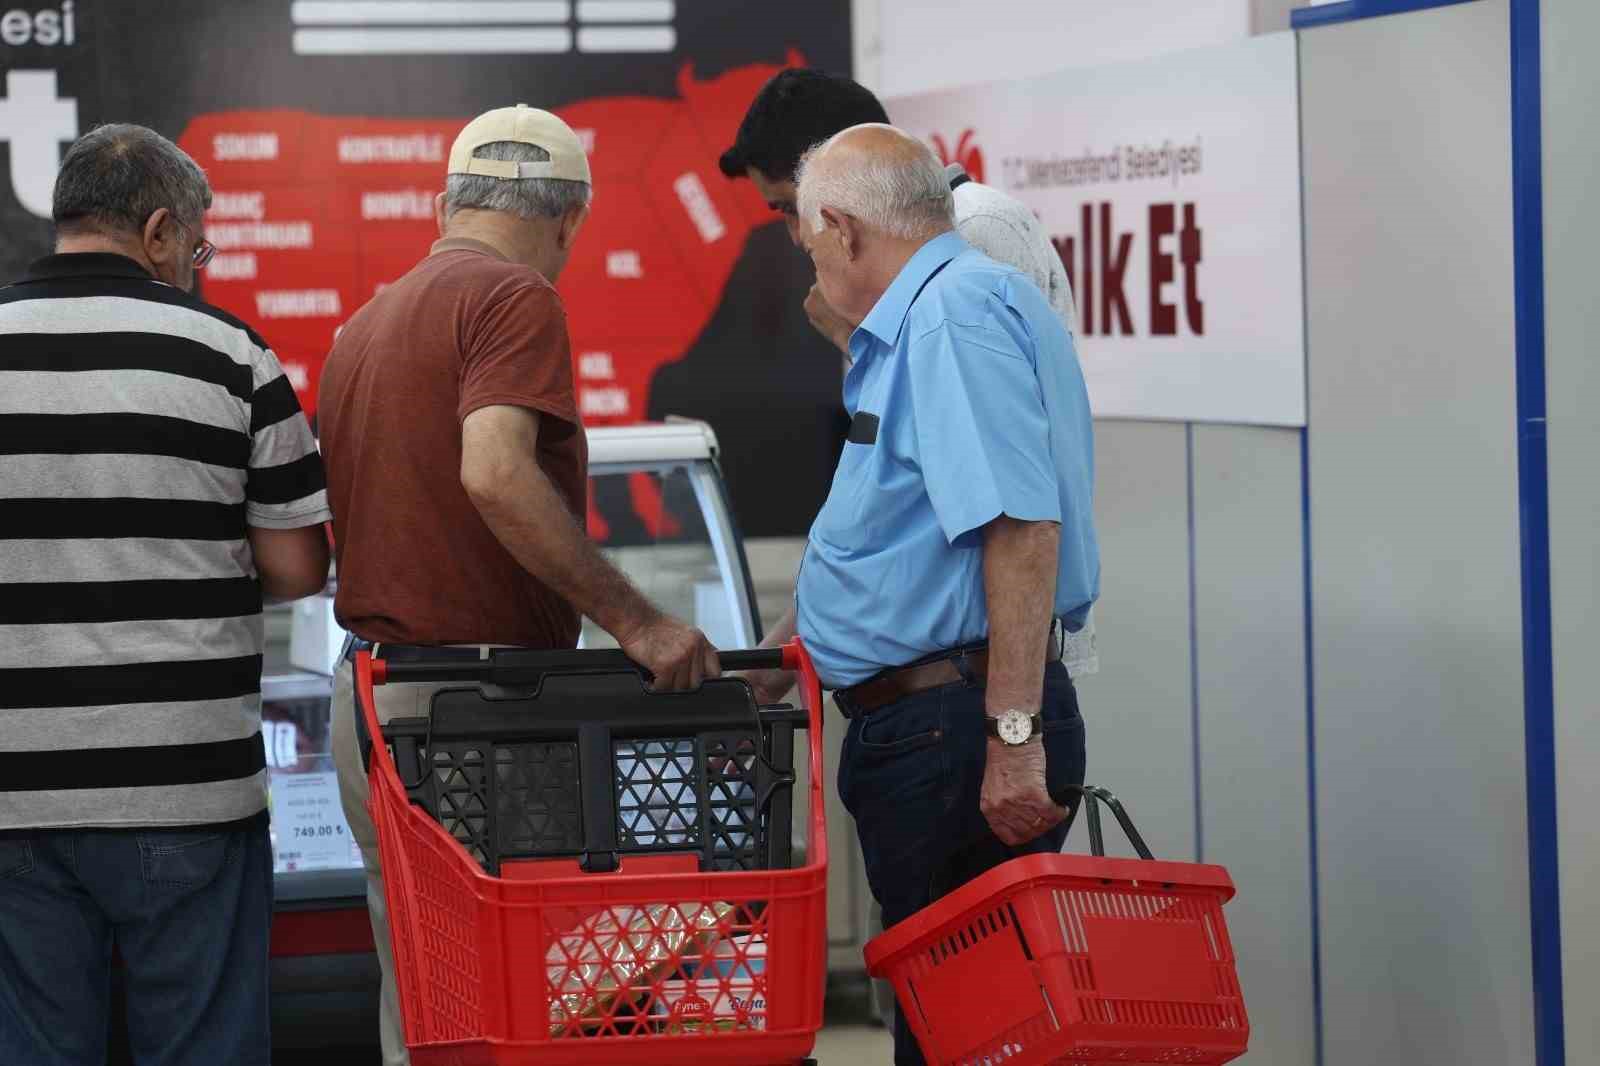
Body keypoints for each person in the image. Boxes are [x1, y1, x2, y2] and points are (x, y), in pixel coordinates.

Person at [317, 104, 720, 1065]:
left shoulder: (364, 326)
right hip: (479, 709)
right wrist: (638, 622)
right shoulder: (513, 296)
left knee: (426, 999)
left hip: (375, 696)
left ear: (444, 205)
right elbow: (495, 471)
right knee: (522, 1005)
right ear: (569, 220)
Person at [0, 124, 331, 1065]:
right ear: (157, 232)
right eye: (198, 245)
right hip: (188, 790)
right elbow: (300, 570)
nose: (196, 264)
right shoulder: (231, 356)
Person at [796, 124, 1098, 1065]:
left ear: (842, 228)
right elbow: (904, 532)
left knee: (965, 1037)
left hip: (955, 734)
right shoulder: (934, 317)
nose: (813, 271)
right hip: (941, 725)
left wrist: (1013, 740)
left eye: (810, 246)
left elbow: (1019, 529)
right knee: (959, 1031)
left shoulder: (949, 320)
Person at [718, 68, 1097, 691]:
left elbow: (1010, 517)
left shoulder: (960, 265)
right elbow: (894, 502)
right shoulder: (917, 282)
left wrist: (1012, 724)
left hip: (965, 686)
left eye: (793, 206)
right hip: (929, 692)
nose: (798, 235)